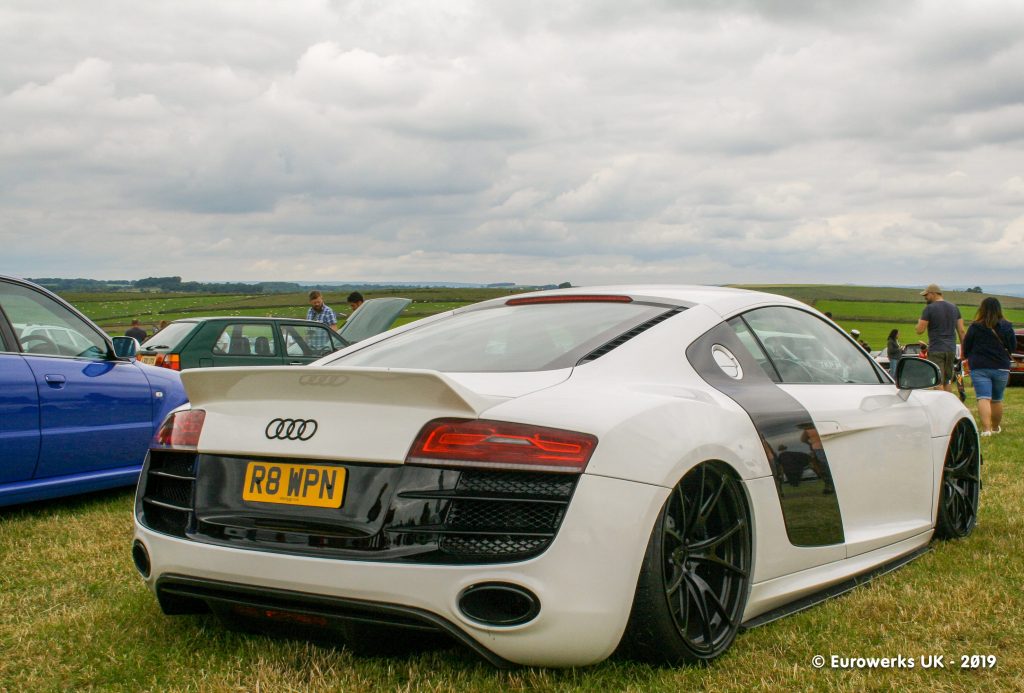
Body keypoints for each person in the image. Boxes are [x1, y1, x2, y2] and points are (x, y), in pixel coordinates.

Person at [963, 297, 1015, 436]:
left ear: (982, 309)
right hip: (1001, 366)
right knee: (997, 399)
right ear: (999, 309)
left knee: (983, 397)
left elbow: (966, 346)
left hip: (979, 366)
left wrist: (968, 357)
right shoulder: (1007, 326)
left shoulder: (975, 326)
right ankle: (996, 427)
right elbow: (1012, 346)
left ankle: (986, 430)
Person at [915, 283, 965, 393]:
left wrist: (920, 319)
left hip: (936, 349)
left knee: (937, 381)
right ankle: (949, 406)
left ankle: (941, 407)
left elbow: (919, 330)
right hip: (951, 350)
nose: (925, 298)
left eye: (926, 295)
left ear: (933, 294)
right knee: (947, 381)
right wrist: (964, 350)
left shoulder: (929, 308)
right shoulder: (954, 307)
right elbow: (961, 331)